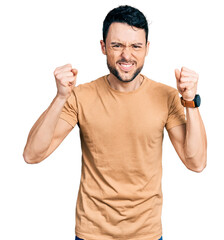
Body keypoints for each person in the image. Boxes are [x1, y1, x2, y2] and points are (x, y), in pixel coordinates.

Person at [23, 5, 207, 240]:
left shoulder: (167, 97)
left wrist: (189, 101)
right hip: (92, 233)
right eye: (117, 45)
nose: (126, 55)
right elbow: (32, 155)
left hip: (146, 234)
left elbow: (197, 162)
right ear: (103, 47)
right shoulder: (81, 96)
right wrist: (60, 97)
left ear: (147, 48)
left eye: (136, 46)